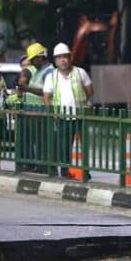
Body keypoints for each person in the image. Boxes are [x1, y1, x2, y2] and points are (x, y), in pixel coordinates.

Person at [42, 42, 93, 176]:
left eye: (65, 57)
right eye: (59, 58)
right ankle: (64, 171)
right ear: (55, 61)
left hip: (81, 115)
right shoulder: (51, 77)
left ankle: (85, 172)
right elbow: (47, 97)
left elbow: (90, 91)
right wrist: (53, 113)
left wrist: (82, 103)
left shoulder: (80, 73)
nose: (63, 60)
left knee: (84, 145)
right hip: (62, 116)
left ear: (70, 58)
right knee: (64, 146)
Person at [16, 42, 50, 170]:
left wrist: (27, 88)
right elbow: (24, 78)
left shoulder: (49, 72)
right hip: (30, 111)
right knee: (29, 140)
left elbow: (46, 92)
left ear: (40, 57)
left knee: (41, 142)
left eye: (33, 59)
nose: (31, 62)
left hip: (41, 111)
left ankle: (43, 167)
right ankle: (31, 164)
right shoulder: (36, 70)